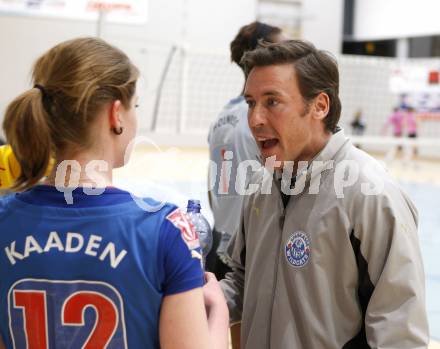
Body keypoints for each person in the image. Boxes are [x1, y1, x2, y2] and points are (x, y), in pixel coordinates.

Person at [0, 37, 228, 349]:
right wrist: (218, 312)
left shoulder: (6, 219)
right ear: (115, 114)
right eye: (135, 107)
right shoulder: (166, 230)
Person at [220, 40, 429, 348]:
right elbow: (240, 278)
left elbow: (400, 330)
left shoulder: (370, 194)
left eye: (272, 102)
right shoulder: (260, 184)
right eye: (251, 103)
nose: (255, 119)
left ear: (320, 105)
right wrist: (191, 296)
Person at [207, 21, 283, 279]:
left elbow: (211, 188)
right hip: (249, 250)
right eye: (283, 49)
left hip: (220, 242)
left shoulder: (223, 115)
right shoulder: (263, 120)